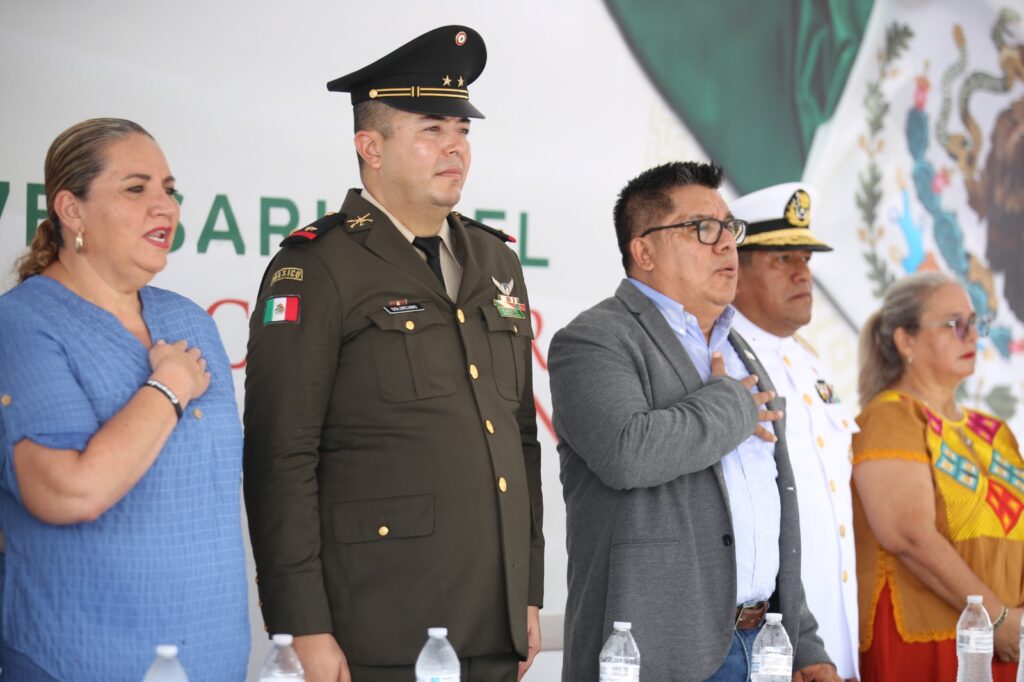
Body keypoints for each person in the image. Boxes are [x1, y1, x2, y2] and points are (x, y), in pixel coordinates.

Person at [243, 25, 543, 682]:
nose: (455, 147)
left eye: (462, 130)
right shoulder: (318, 266)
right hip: (377, 628)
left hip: (491, 622)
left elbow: (519, 436)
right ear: (370, 147)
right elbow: (279, 456)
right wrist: (301, 627)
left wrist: (526, 591)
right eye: (432, 129)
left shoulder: (496, 260)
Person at [549, 161, 837, 681]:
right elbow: (627, 453)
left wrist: (806, 642)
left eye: (729, 228)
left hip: (766, 645)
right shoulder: (595, 339)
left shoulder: (737, 346)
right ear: (644, 251)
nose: (726, 244)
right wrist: (731, 406)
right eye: (703, 228)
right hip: (660, 652)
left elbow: (762, 509)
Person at [0, 118, 249, 681]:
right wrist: (169, 388)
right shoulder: (22, 323)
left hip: (213, 658)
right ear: (72, 209)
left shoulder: (189, 320)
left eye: (169, 189)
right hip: (79, 661)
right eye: (136, 188)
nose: (165, 206)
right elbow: (69, 492)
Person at [852, 271, 1024, 680]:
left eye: (975, 323)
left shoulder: (993, 430)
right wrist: (997, 619)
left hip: (1004, 642)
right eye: (954, 324)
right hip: (931, 645)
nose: (973, 336)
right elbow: (908, 534)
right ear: (905, 340)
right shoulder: (892, 415)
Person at [730, 183, 859, 679]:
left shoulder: (810, 363)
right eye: (782, 259)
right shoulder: (724, 361)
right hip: (768, 642)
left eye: (804, 258)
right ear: (735, 268)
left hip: (832, 633)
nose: (802, 272)